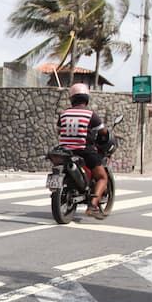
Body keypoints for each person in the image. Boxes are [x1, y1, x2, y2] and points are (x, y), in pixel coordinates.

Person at [56, 83, 108, 218]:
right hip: (84, 151)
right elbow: (103, 132)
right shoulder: (91, 115)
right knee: (102, 177)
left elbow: (58, 131)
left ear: (71, 99)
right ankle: (92, 206)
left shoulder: (63, 114)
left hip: (64, 151)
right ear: (86, 99)